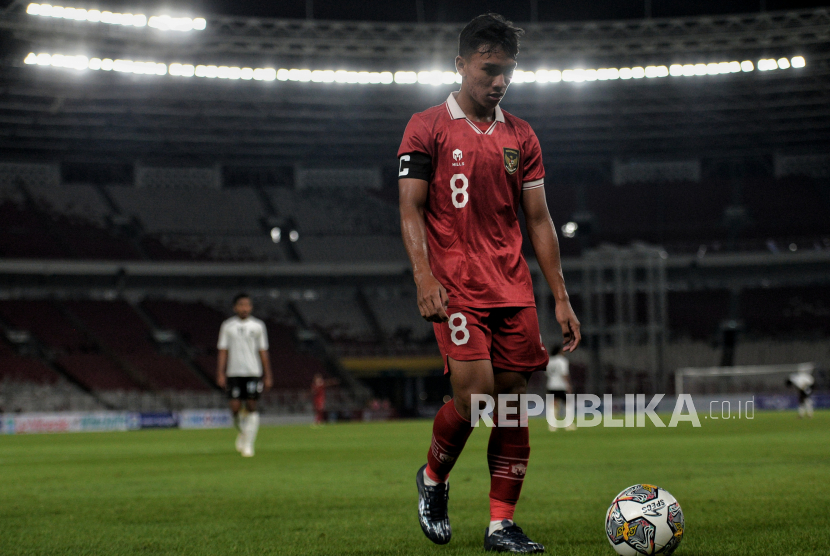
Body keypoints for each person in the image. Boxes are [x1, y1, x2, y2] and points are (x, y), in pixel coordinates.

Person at [398, 13, 581, 554]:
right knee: (477, 398)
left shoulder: (521, 135)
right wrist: (424, 274)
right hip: (456, 285)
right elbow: (409, 208)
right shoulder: (426, 125)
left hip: (513, 288)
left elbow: (540, 220)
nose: (500, 81)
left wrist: (562, 298)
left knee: (511, 405)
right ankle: (433, 480)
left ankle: (501, 524)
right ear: (460, 66)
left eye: (508, 71)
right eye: (489, 69)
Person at [216, 293, 273, 457]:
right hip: (234, 372)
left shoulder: (258, 326)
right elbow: (222, 351)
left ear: (251, 307)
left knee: (251, 405)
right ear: (235, 307)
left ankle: (248, 444)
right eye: (241, 305)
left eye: (247, 305)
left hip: (253, 372)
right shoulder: (228, 326)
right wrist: (220, 373)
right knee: (235, 408)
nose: (244, 308)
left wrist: (268, 375)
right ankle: (242, 431)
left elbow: (263, 351)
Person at [545, 344, 575, 432]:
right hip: (561, 385)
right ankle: (568, 424)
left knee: (553, 405)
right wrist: (568, 385)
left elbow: (547, 373)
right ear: (559, 351)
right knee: (568, 404)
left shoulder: (549, 361)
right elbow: (564, 374)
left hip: (551, 385)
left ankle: (552, 425)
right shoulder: (562, 360)